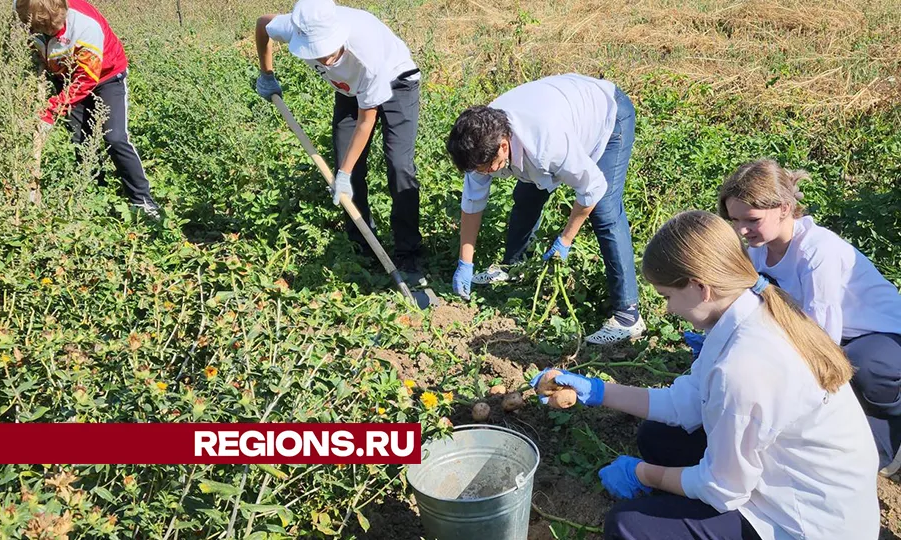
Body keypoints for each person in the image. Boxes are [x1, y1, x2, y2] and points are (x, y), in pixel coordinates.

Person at [532, 211, 879, 540]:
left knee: (628, 526)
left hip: (807, 525)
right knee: (658, 437)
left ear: (701, 288)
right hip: (803, 480)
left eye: (668, 296)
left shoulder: (744, 367)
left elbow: (724, 489)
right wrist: (597, 391)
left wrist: (644, 473)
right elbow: (684, 403)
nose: (668, 308)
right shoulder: (750, 311)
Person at [719, 158, 901, 476]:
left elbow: (822, 340)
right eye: (734, 220)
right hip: (838, 337)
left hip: (883, 341)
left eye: (750, 219)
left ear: (785, 208)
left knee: (862, 365)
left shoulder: (818, 252)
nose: (741, 229)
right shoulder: (758, 249)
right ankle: (881, 443)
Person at [446, 74, 642, 345]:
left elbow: (592, 187)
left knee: (605, 210)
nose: (483, 174)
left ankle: (627, 315)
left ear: (503, 147)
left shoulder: (546, 144)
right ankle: (515, 268)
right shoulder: (480, 143)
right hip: (561, 109)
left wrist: (565, 240)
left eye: (486, 168)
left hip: (607, 115)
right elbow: (472, 202)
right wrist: (464, 262)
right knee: (527, 195)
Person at [254, 0, 426, 286]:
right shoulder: (295, 26)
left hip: (397, 83)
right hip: (350, 91)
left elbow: (365, 120)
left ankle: (409, 252)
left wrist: (343, 174)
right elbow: (263, 24)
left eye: (328, 53)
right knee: (348, 165)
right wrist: (266, 73)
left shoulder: (366, 49)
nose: (323, 61)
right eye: (316, 54)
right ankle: (362, 244)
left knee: (399, 166)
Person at [15, 0, 161, 218]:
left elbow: (85, 80)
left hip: (106, 76)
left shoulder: (85, 26)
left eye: (54, 29)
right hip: (65, 75)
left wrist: (50, 113)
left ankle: (143, 202)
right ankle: (93, 194)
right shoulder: (24, 8)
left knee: (115, 138)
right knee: (81, 140)